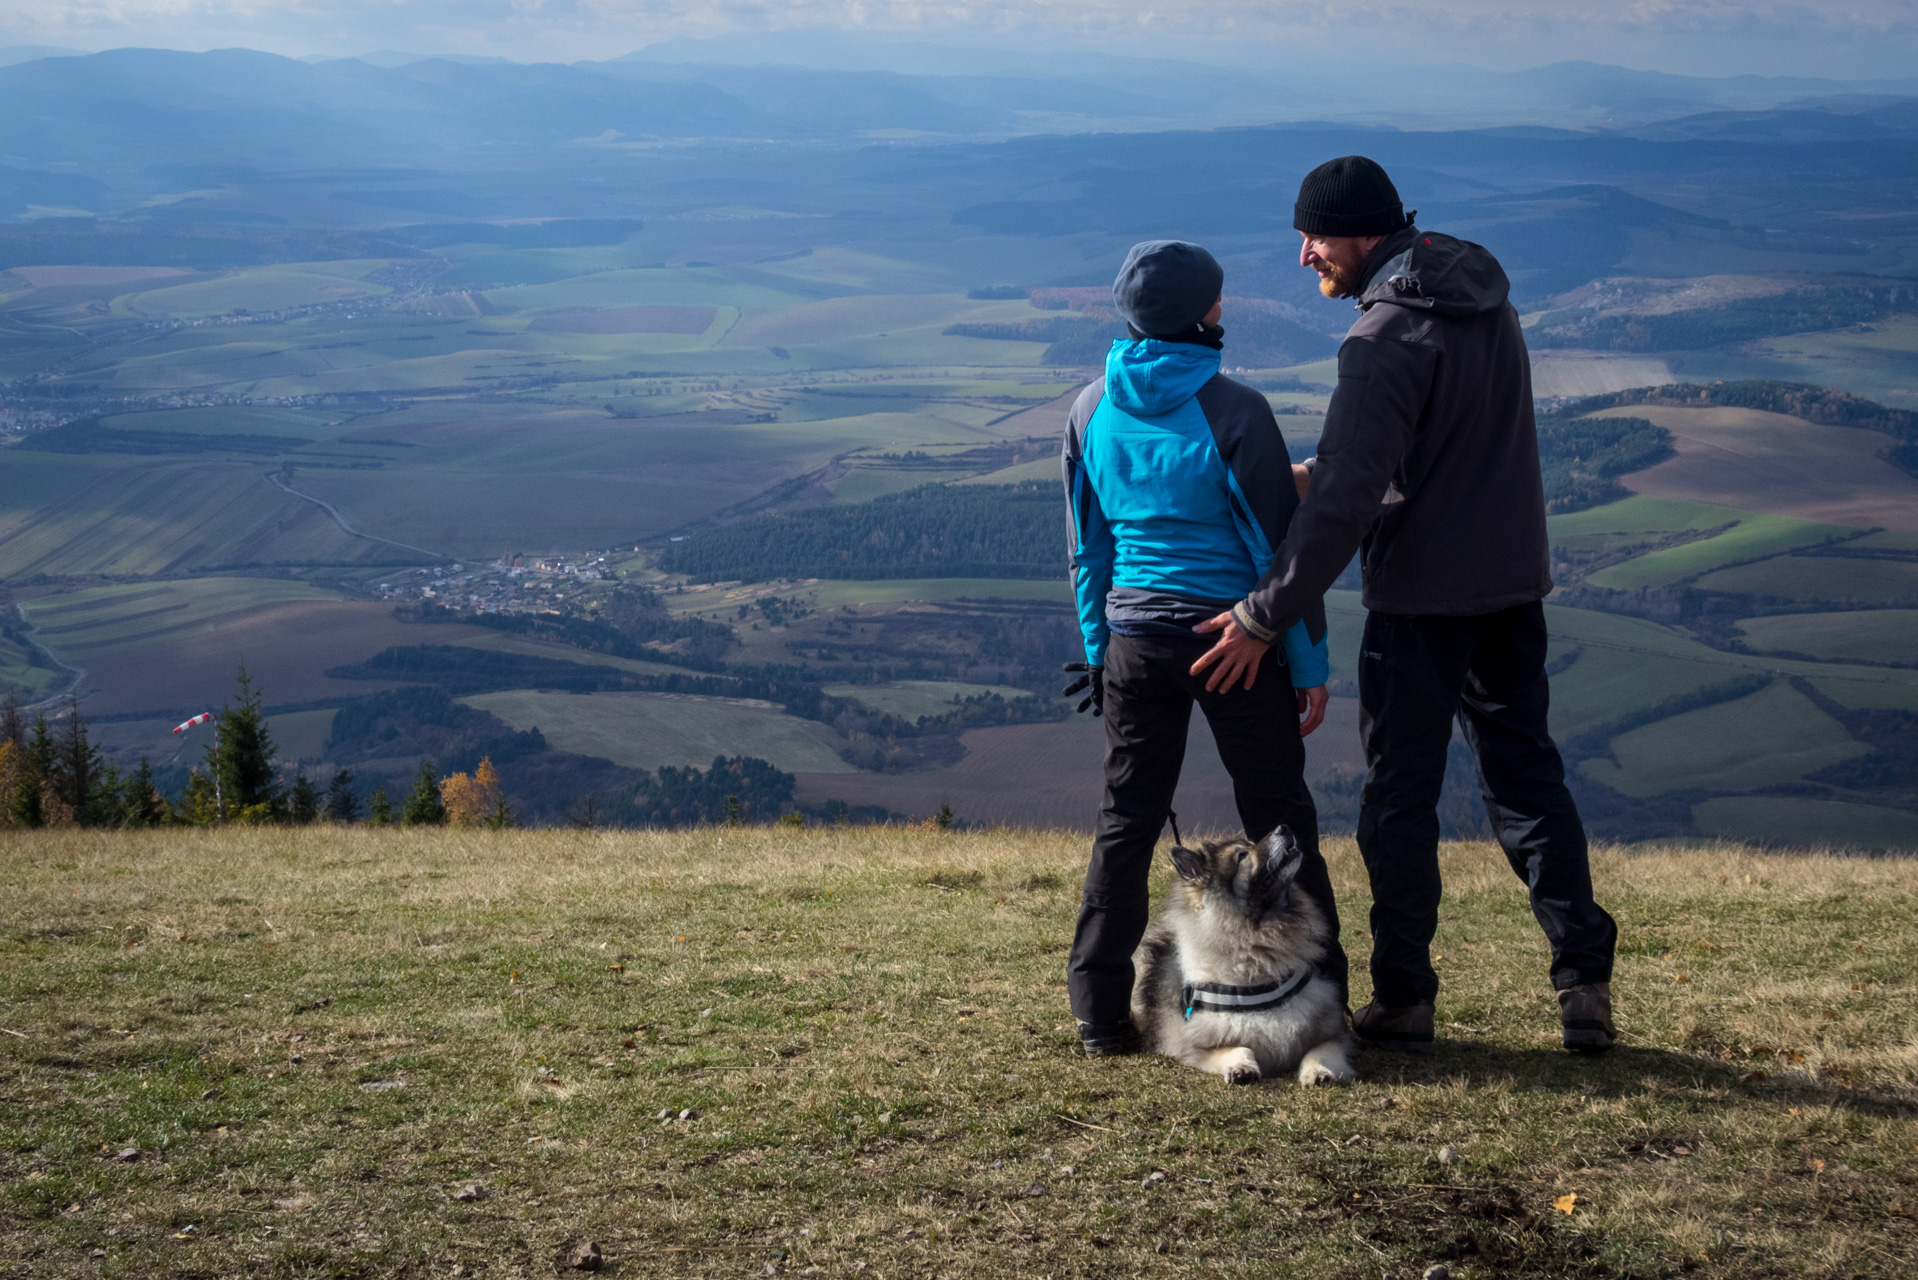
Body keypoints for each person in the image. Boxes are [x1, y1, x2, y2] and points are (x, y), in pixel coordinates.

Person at [1187, 156, 1619, 1055]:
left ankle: (1405, 998)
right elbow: (1431, 453)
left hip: (1423, 599)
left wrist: (1262, 615)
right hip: (1509, 583)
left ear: (1361, 234)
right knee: (1529, 782)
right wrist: (1324, 475)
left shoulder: (1381, 339)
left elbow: (1348, 501)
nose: (1306, 255)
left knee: (1399, 800)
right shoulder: (1482, 295)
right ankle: (1585, 985)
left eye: (1315, 237)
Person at [1061, 239, 1343, 1056]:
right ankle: (1331, 997)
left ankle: (1097, 1015)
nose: (1225, 310)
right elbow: (1279, 555)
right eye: (1218, 301)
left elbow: (1090, 546)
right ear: (1203, 314)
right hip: (1234, 643)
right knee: (1280, 817)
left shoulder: (1088, 409)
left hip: (1132, 644)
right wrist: (1307, 663)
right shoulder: (1236, 411)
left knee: (1126, 821)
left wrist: (1095, 650)